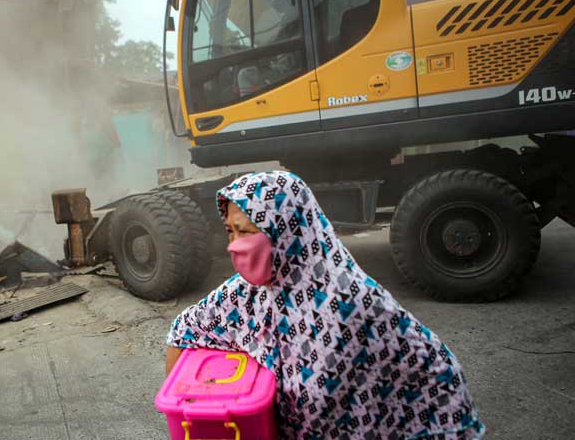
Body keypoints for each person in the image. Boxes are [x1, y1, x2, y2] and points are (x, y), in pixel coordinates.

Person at [166, 171, 485, 439]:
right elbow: (184, 329)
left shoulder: (344, 303)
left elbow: (319, 417)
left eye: (247, 231)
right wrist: (183, 417)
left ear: (285, 231)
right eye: (230, 231)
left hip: (422, 416)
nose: (234, 245)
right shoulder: (248, 290)